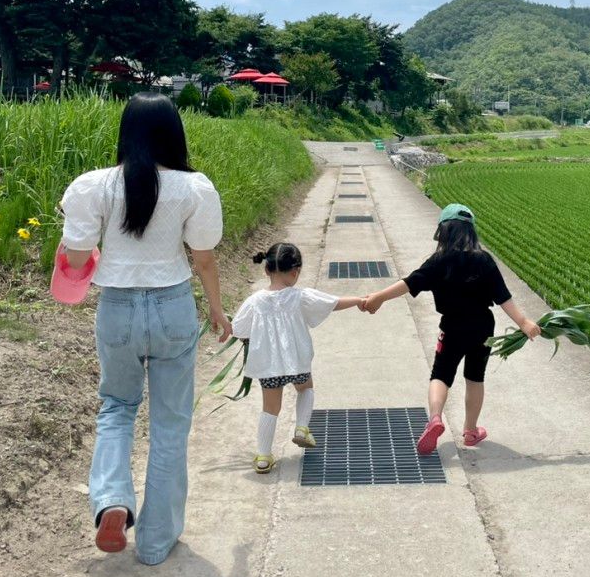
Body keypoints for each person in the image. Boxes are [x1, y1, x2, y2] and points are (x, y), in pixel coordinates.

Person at [60, 92, 231, 565]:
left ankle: (113, 499)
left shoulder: (93, 186)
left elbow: (75, 259)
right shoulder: (194, 187)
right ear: (173, 133)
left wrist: (91, 255)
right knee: (170, 424)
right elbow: (204, 258)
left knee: (116, 407)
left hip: (116, 308)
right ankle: (156, 542)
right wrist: (216, 310)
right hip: (173, 306)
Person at [363, 203, 541, 454]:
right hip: (482, 328)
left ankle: (435, 418)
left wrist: (379, 297)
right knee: (475, 378)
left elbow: (409, 283)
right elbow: (503, 298)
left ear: (443, 231)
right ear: (472, 232)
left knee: (441, 375)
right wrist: (524, 323)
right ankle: (470, 430)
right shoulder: (484, 260)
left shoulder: (439, 260)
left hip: (452, 325)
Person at [231, 243, 365, 474]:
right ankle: (301, 428)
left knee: (270, 408)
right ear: (295, 272)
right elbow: (331, 303)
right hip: (296, 361)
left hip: (269, 366)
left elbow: (238, 329)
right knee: (305, 388)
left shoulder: (254, 301)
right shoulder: (299, 296)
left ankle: (263, 457)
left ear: (266, 270)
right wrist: (358, 300)